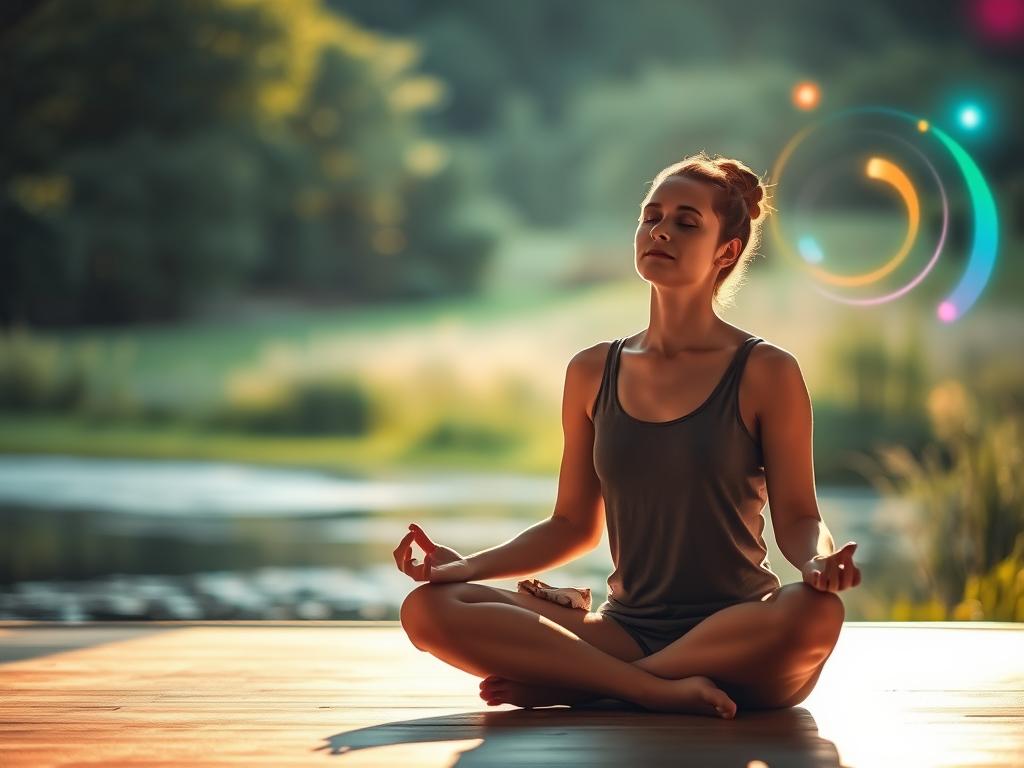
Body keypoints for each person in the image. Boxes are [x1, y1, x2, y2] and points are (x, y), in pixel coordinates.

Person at [395, 151, 862, 719]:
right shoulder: (592, 371)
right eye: (651, 216)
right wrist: (464, 568)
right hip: (625, 631)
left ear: (726, 251)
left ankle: (586, 686)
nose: (660, 230)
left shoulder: (767, 371)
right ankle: (647, 688)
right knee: (429, 608)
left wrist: (817, 561)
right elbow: (572, 526)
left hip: (740, 636)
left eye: (686, 222)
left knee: (815, 612)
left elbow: (800, 517)